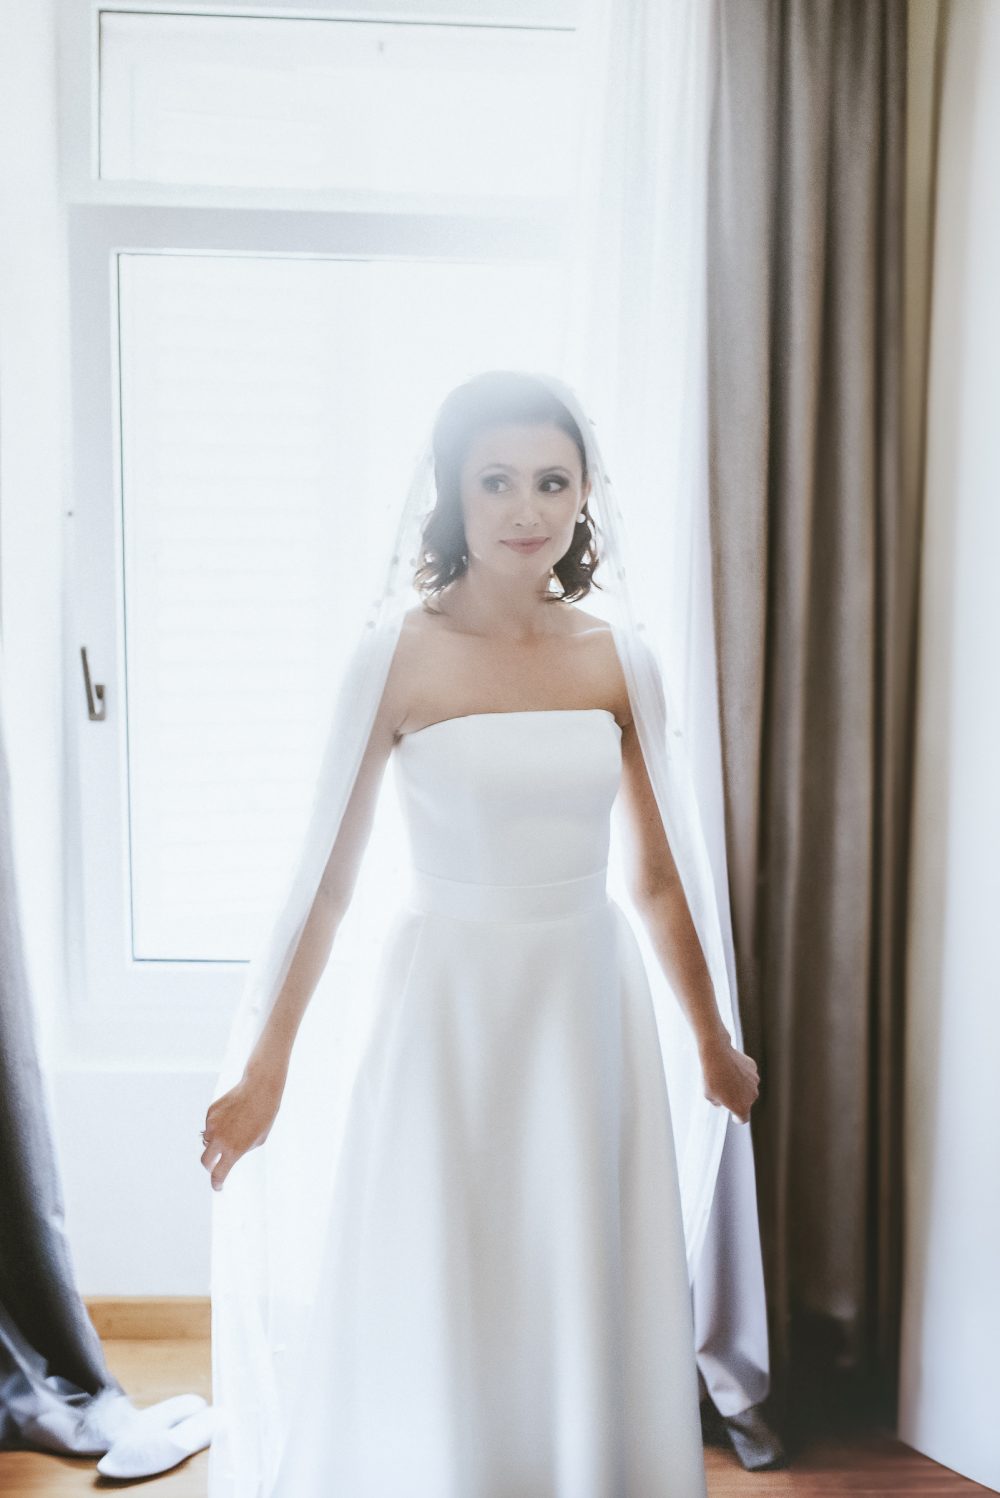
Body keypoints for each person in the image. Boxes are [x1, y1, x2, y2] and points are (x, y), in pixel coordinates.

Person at [200, 370, 760, 1497]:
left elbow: (655, 877)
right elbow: (330, 879)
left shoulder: (615, 658)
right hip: (445, 1004)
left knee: (573, 1268)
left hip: (583, 999)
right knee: (447, 1270)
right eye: (496, 480)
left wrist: (709, 1040)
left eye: (552, 481)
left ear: (585, 493)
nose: (526, 509)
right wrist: (265, 1070)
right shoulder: (398, 654)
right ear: (454, 492)